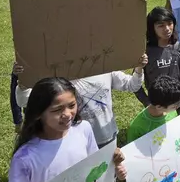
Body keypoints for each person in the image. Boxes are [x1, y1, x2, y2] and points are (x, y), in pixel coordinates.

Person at [8, 77, 127, 182]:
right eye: (57, 110)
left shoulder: (84, 129)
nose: (67, 114)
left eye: (72, 105)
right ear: (38, 113)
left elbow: (95, 168)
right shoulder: (24, 158)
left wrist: (113, 163)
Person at [15, 54, 146, 149]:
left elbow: (132, 85)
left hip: (107, 136)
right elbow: (24, 100)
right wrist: (24, 81)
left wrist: (139, 68)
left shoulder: (105, 70)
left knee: (107, 179)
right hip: (76, 143)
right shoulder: (60, 80)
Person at [135, 7, 180, 116]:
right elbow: (135, 82)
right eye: (161, 25)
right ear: (151, 28)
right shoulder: (145, 52)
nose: (167, 28)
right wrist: (147, 102)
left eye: (169, 23)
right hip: (158, 109)